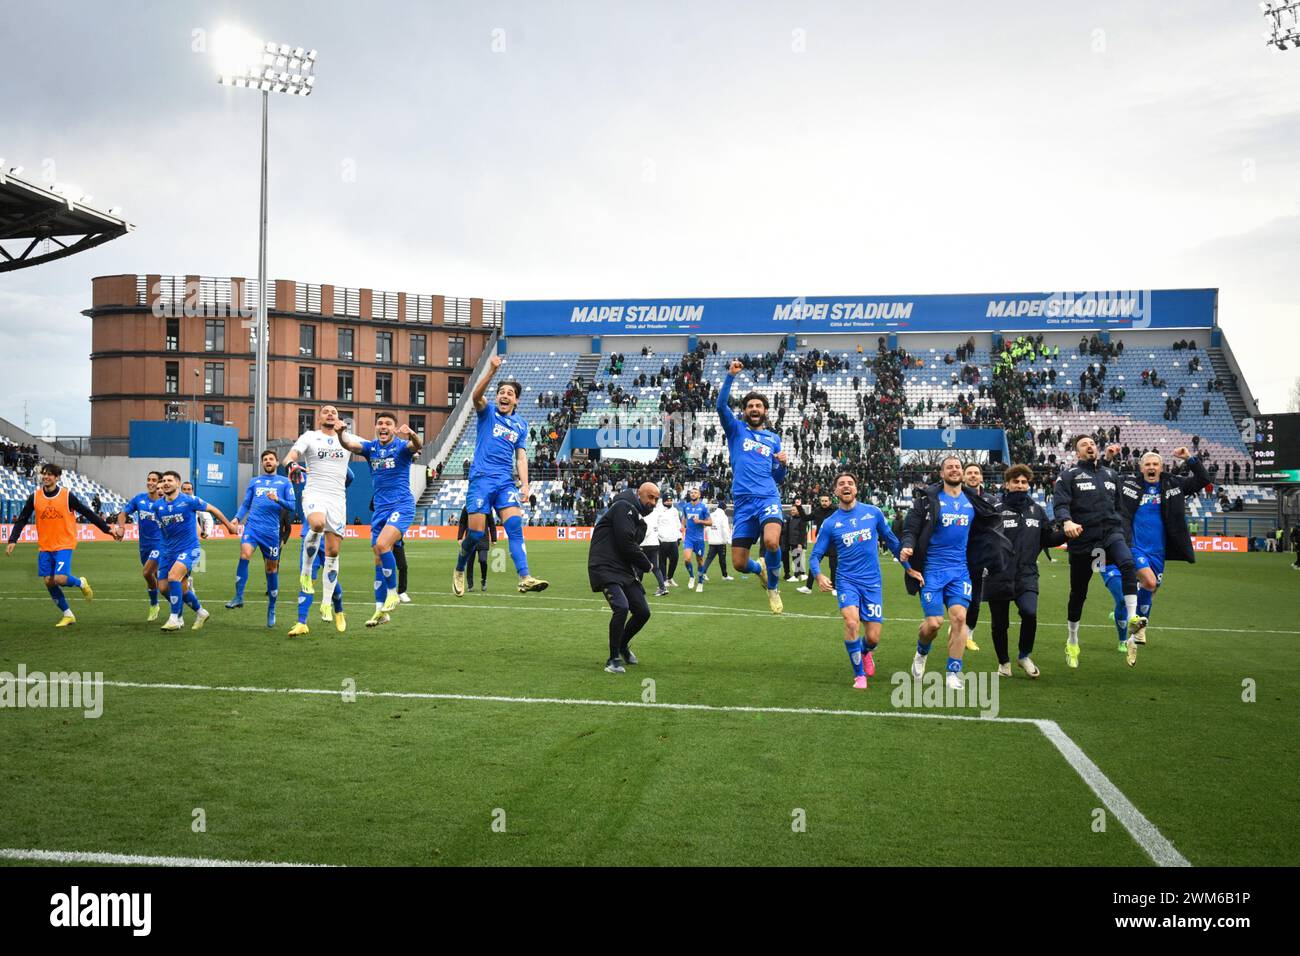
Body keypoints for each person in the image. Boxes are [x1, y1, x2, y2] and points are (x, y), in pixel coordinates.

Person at [900, 455, 1011, 691]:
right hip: (931, 570)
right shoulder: (927, 501)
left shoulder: (974, 502)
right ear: (941, 474)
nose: (954, 470)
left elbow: (988, 528)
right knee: (933, 624)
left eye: (957, 467)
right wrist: (908, 545)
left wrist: (993, 553)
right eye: (949, 467)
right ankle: (921, 652)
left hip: (960, 570)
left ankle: (953, 671)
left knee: (960, 618)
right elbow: (911, 527)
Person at [1103, 447, 1210, 660]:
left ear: (1161, 467)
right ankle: (1135, 630)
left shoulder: (1174, 484)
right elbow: (1103, 481)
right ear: (1141, 468)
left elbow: (1203, 479)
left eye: (1155, 464)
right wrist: (1107, 458)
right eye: (1147, 464)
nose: (1151, 467)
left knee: (1149, 592)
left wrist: (1189, 458)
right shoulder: (1129, 484)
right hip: (1133, 546)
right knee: (1149, 583)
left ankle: (1130, 621)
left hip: (1158, 551)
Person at [809, 471, 915, 689]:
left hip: (872, 582)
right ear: (836, 491)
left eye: (850, 483)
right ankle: (859, 675)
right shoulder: (831, 523)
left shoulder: (873, 513)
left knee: (873, 637)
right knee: (851, 622)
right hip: (847, 580)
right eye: (841, 484)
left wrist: (908, 568)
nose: (846, 486)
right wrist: (819, 575)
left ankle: (866, 652)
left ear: (856, 489)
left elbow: (892, 542)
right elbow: (815, 556)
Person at [454, 354, 548, 595]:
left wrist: (525, 485)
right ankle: (460, 567)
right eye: (502, 392)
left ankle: (524, 576)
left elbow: (521, 457)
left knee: (515, 526)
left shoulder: (521, 425)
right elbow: (475, 396)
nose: (505, 396)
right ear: (497, 397)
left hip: (505, 482)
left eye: (510, 393)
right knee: (475, 535)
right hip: (481, 480)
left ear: (516, 400)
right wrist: (491, 372)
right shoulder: (488, 413)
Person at [1052, 436, 1141, 668]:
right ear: (1077, 453)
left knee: (1128, 564)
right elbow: (1060, 504)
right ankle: (1072, 640)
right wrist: (1066, 521)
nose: (1089, 446)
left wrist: (1123, 533)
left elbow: (1121, 509)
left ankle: (1132, 619)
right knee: (1078, 594)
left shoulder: (1111, 475)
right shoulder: (1068, 475)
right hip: (1084, 540)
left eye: (1092, 443)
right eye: (1084, 445)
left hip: (1110, 534)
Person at [5, 462, 122, 627]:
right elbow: (23, 518)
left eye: (50, 474)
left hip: (64, 543)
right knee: (48, 581)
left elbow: (87, 513)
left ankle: (81, 583)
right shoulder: (35, 497)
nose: (46, 477)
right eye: (44, 474)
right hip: (45, 545)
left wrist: (107, 530)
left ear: (57, 477)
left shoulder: (67, 496)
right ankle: (68, 615)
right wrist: (13, 539)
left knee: (59, 578)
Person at [335, 413, 421, 628]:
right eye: (380, 423)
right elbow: (350, 445)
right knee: (378, 557)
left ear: (393, 428)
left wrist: (412, 433)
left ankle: (394, 593)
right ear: (375, 427)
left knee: (383, 545)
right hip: (380, 509)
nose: (383, 427)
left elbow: (417, 445)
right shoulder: (371, 448)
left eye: (388, 424)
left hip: (401, 505)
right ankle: (379, 611)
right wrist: (340, 432)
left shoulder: (402, 446)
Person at [717, 359, 788, 613]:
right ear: (744, 411)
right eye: (750, 406)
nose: (754, 408)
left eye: (758, 405)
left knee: (771, 542)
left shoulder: (773, 438)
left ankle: (773, 588)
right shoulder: (736, 430)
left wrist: (781, 464)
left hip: (768, 497)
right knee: (738, 563)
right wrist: (730, 376)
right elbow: (720, 405)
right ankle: (760, 568)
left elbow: (779, 477)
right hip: (744, 502)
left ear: (765, 411)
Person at [984, 465, 1066, 678]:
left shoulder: (1037, 510)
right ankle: (1003, 662)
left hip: (1027, 573)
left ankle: (1024, 655)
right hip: (998, 573)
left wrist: (1067, 534)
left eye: (1024, 482)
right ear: (1007, 484)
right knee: (1000, 624)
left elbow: (1047, 538)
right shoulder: (995, 509)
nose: (1020, 486)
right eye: (1016, 482)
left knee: (1030, 613)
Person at [283, 404, 356, 635]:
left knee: (333, 552)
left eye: (334, 411)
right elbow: (290, 457)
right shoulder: (310, 437)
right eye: (326, 411)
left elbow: (373, 449)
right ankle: (305, 576)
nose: (331, 413)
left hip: (337, 501)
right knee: (316, 524)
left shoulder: (348, 439)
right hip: (315, 494)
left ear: (339, 418)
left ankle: (329, 603)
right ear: (319, 418)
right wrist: (293, 465)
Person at [153, 470, 237, 632]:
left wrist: (229, 526)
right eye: (163, 480)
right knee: (165, 588)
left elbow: (213, 509)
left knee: (173, 577)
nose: (165, 483)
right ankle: (201, 612)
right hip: (167, 551)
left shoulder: (189, 501)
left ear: (178, 484)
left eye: (170, 480)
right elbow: (163, 528)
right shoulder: (158, 506)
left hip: (189, 548)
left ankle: (175, 618)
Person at [589, 482, 659, 673]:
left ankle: (622, 645)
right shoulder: (622, 507)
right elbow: (626, 543)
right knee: (621, 607)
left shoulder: (639, 520)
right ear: (639, 494)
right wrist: (647, 564)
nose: (653, 502)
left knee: (643, 612)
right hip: (604, 566)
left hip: (623, 570)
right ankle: (613, 660)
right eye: (650, 497)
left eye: (656, 499)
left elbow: (630, 545)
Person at [226, 450, 296, 628]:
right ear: (262, 463)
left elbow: (292, 506)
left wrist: (277, 499)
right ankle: (238, 596)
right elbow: (246, 504)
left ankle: (271, 608)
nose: (268, 461)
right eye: (265, 459)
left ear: (277, 462)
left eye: (271, 459)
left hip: (271, 532)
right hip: (252, 528)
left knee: (271, 570)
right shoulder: (254, 481)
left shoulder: (285, 482)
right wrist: (236, 518)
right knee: (245, 554)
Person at [117, 470, 165, 622]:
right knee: (157, 578)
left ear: (160, 483)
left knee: (146, 573)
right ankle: (175, 600)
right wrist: (122, 527)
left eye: (154, 480)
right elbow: (123, 514)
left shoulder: (165, 502)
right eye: (148, 479)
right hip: (144, 545)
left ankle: (156, 605)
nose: (150, 482)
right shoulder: (139, 499)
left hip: (160, 544)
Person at [961, 462, 992, 652]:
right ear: (963, 477)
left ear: (981, 477)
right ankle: (957, 625)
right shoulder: (956, 497)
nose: (973, 476)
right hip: (957, 554)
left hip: (980, 555)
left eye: (976, 473)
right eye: (969, 473)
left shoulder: (991, 500)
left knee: (976, 597)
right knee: (956, 595)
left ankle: (969, 634)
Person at [457, 506, 496, 591]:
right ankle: (470, 585)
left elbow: (491, 523)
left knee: (483, 560)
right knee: (470, 562)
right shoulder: (467, 507)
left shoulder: (487, 507)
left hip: (483, 538)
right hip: (470, 538)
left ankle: (484, 580)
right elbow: (462, 523)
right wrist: (460, 537)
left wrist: (494, 538)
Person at [679, 487, 711, 591]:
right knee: (687, 559)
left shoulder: (703, 507)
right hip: (689, 538)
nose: (692, 494)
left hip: (699, 539)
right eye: (691, 493)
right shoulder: (686, 506)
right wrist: (683, 526)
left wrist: (700, 521)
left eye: (695, 493)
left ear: (699, 495)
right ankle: (692, 576)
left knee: (699, 560)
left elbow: (710, 522)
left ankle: (700, 582)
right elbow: (684, 518)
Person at [639, 500, 667, 596]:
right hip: (655, 544)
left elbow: (645, 532)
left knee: (639, 567)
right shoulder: (655, 514)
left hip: (645, 544)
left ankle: (638, 589)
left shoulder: (645, 516)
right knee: (655, 568)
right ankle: (663, 588)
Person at [655, 491, 683, 586]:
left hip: (673, 539)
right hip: (662, 540)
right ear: (663, 501)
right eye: (667, 500)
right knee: (662, 561)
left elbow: (677, 524)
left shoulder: (675, 510)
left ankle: (670, 577)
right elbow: (655, 525)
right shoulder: (658, 510)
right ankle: (664, 580)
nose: (669, 502)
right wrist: (658, 537)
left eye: (671, 500)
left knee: (675, 559)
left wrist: (679, 537)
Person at [700, 498, 732, 580]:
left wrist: (710, 537)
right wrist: (727, 540)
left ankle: (703, 573)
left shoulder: (711, 514)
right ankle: (725, 576)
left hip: (712, 541)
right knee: (722, 560)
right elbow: (725, 529)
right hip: (721, 542)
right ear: (724, 509)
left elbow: (707, 528)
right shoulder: (723, 516)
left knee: (709, 559)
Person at [782, 500, 808, 583]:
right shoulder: (792, 519)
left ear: (798, 510)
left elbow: (803, 533)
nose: (792, 511)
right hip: (792, 542)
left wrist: (800, 544)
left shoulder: (802, 519)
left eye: (794, 510)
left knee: (796, 559)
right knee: (796, 559)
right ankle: (803, 574)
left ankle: (796, 576)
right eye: (791, 510)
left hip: (797, 542)